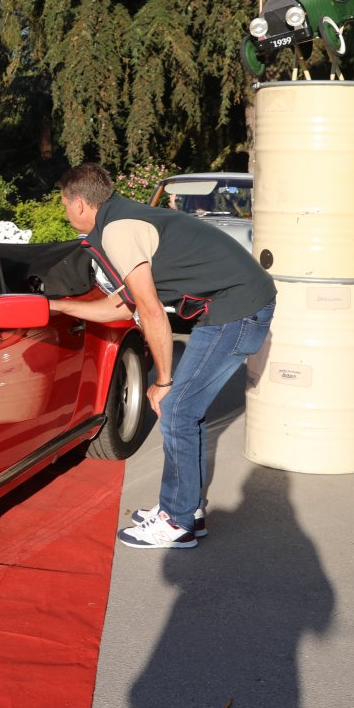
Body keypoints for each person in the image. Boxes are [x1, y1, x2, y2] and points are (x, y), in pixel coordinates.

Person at [48, 162, 276, 549]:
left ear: (80, 203)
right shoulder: (123, 219)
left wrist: (163, 380)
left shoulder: (118, 231)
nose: (66, 211)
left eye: (65, 204)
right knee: (186, 411)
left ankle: (177, 520)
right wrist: (57, 307)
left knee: (177, 408)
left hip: (237, 310)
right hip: (239, 306)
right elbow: (119, 306)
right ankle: (187, 509)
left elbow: (151, 311)